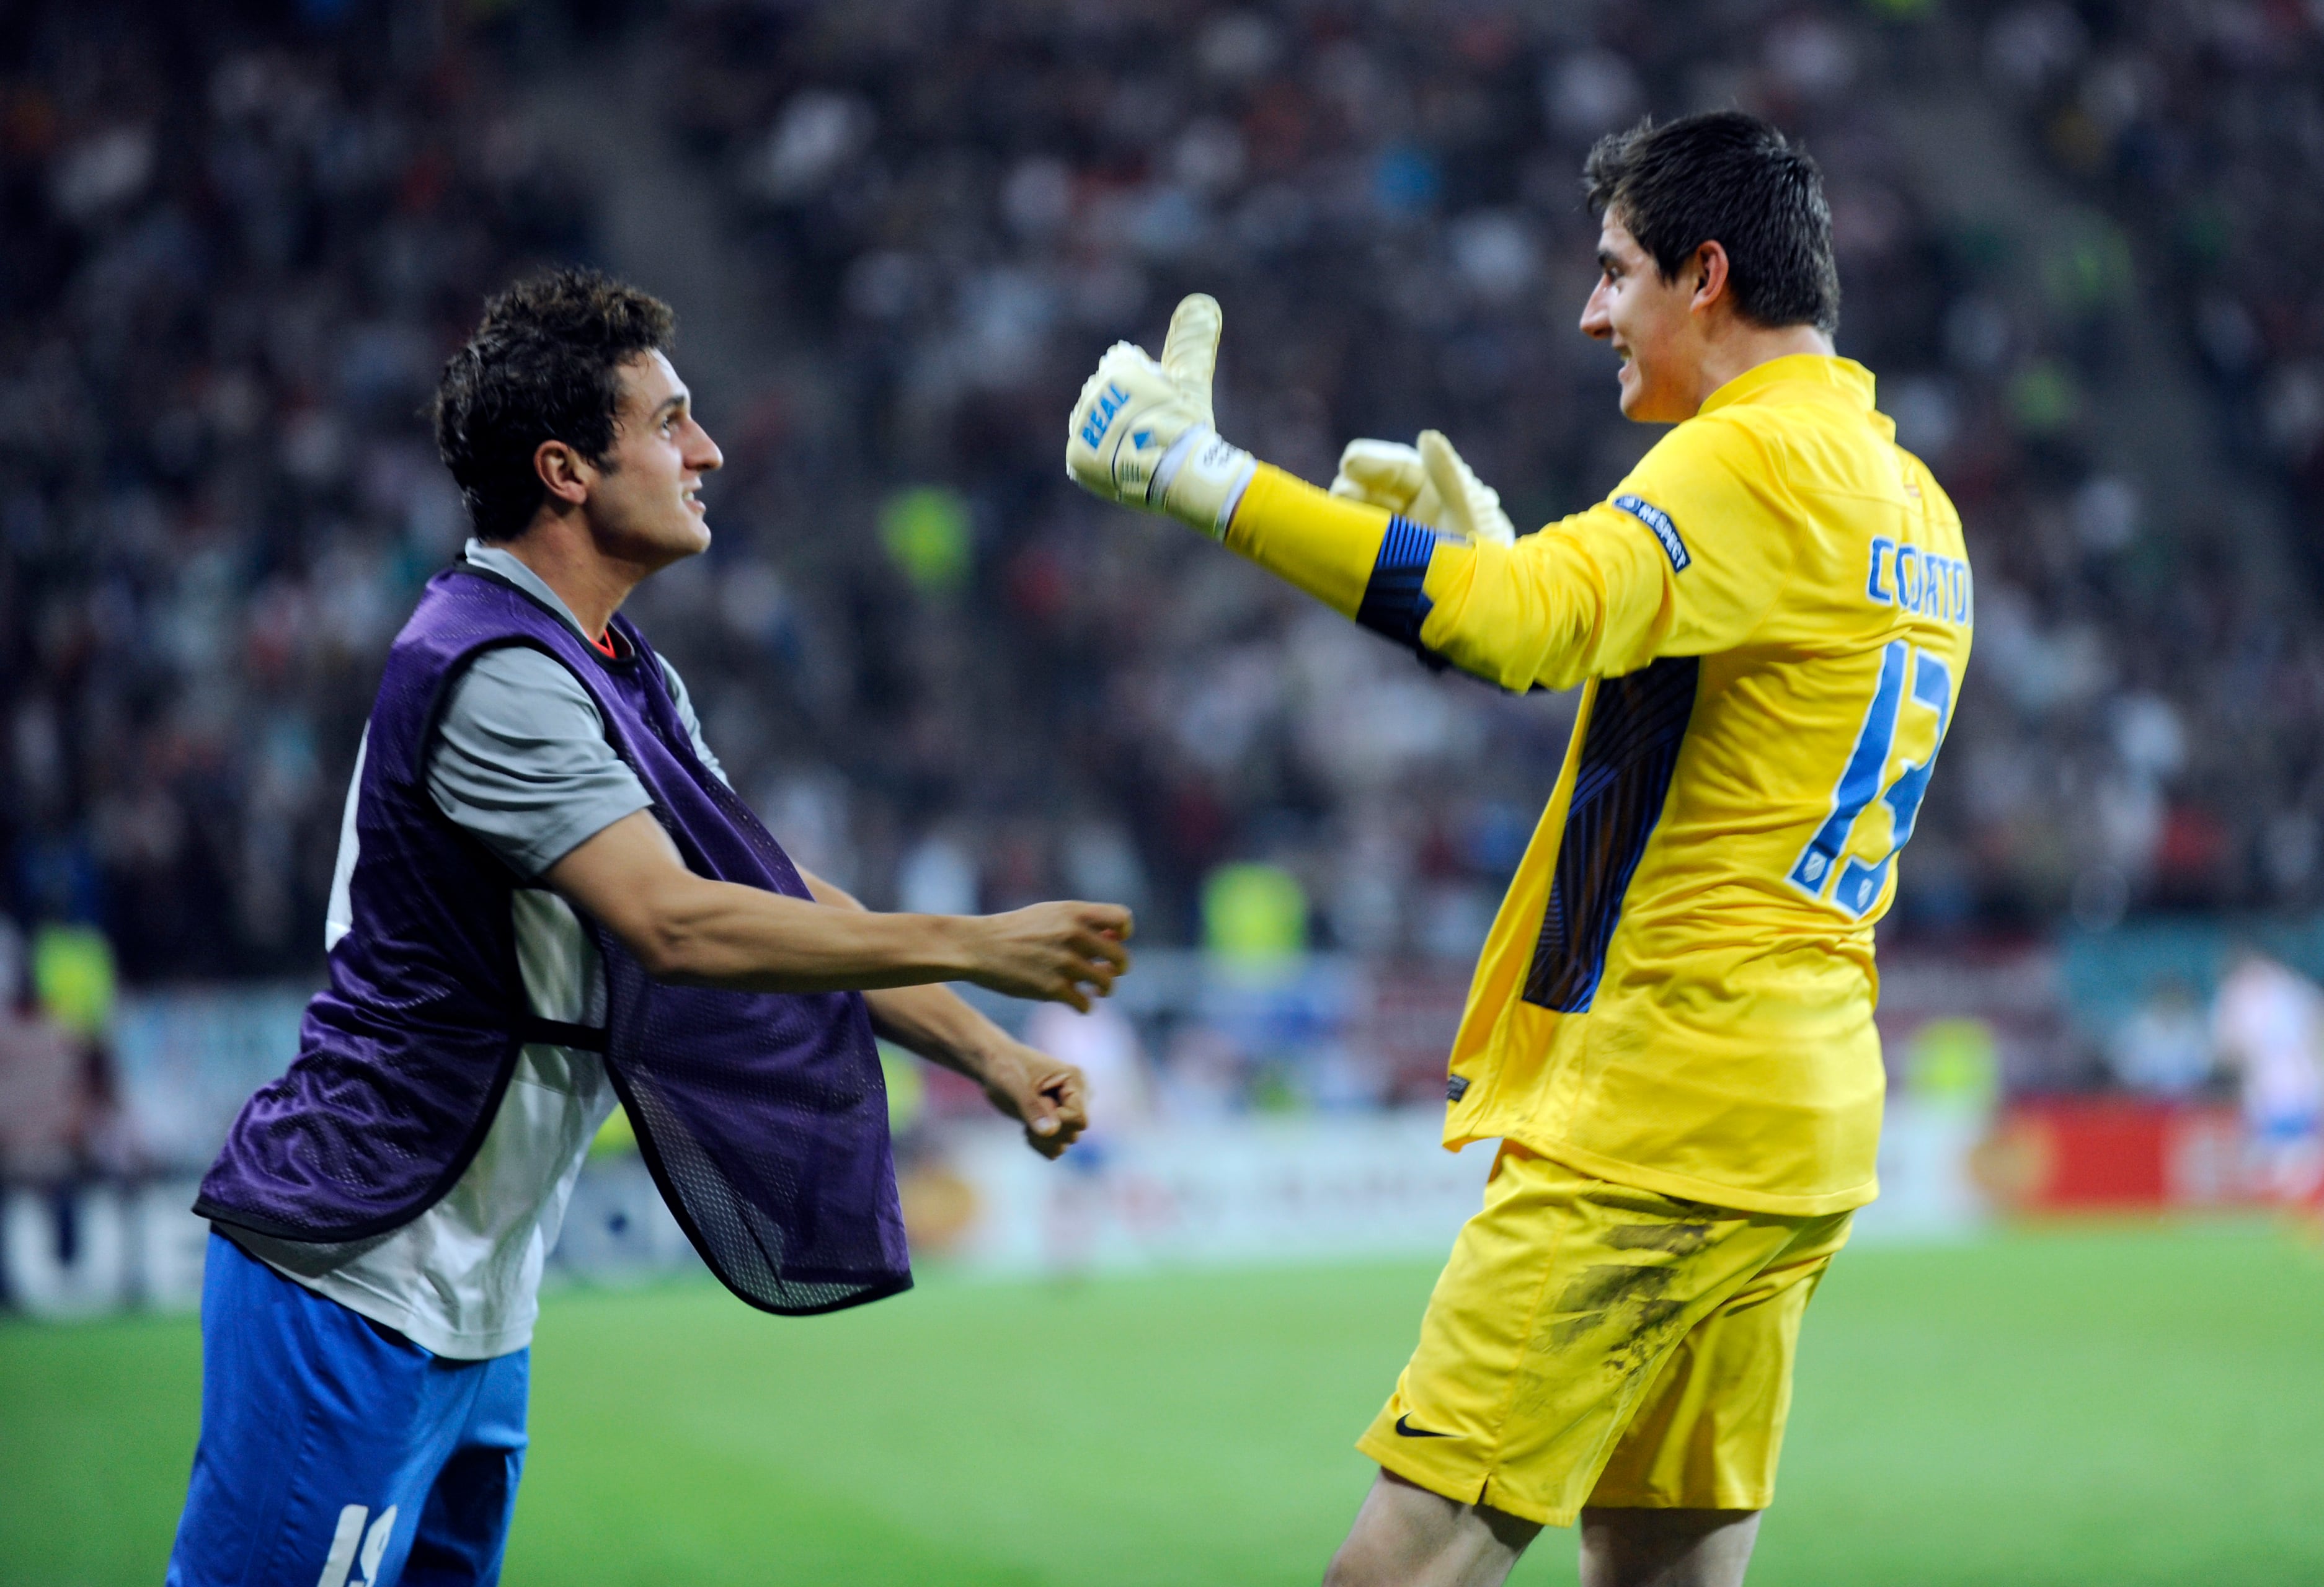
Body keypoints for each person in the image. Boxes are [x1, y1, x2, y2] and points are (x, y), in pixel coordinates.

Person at [1065, 111, 1969, 1587]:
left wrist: (1196, 475)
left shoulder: (1741, 462)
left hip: (1657, 1108)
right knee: (1661, 1568)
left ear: (1706, 276)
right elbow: (1714, 715)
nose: (1589, 310)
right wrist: (1511, 559)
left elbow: (1510, 626)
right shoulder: (1908, 498)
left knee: (1401, 1565)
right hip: (1801, 1117)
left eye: (1615, 272)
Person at [169, 269, 1133, 1587]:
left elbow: (778, 894)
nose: (708, 451)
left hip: (476, 1299)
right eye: (672, 421)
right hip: (354, 1269)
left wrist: (990, 1054)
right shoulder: (496, 673)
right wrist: (971, 937)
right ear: (566, 469)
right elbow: (673, 922)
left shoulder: (620, 668)